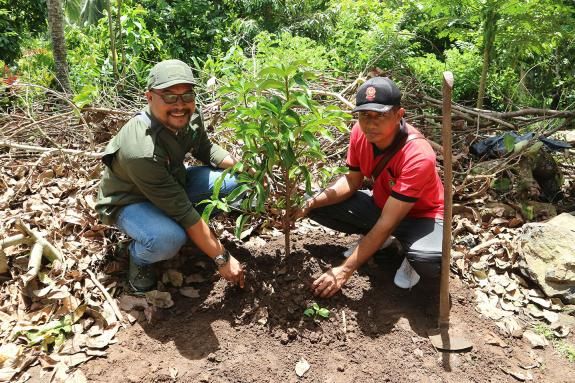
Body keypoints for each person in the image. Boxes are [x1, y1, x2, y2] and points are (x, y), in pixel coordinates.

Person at [95, 59, 245, 292]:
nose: (180, 104)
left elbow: (205, 148)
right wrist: (222, 258)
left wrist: (242, 167)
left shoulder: (190, 116)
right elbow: (183, 210)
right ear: (149, 97)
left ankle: (196, 236)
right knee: (169, 239)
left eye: (187, 95)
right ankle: (138, 256)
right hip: (130, 201)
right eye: (169, 96)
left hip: (171, 184)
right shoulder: (141, 149)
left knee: (236, 182)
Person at [297, 77, 444, 298]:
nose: (371, 123)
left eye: (380, 115)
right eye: (365, 115)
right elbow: (351, 181)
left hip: (423, 217)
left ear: (399, 115)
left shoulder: (418, 155)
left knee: (428, 262)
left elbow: (387, 222)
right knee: (314, 202)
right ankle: (382, 241)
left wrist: (344, 270)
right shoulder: (360, 133)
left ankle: (408, 252)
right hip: (383, 205)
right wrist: (310, 203)